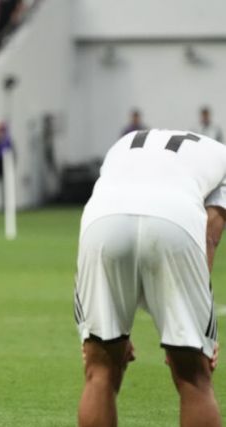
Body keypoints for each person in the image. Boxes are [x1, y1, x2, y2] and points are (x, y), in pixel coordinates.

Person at [75, 129, 224, 426]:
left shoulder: (123, 144)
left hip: (103, 221)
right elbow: (209, 235)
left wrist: (115, 337)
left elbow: (119, 212)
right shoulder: (223, 158)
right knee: (194, 377)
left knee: (100, 371)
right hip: (175, 218)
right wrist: (189, 332)